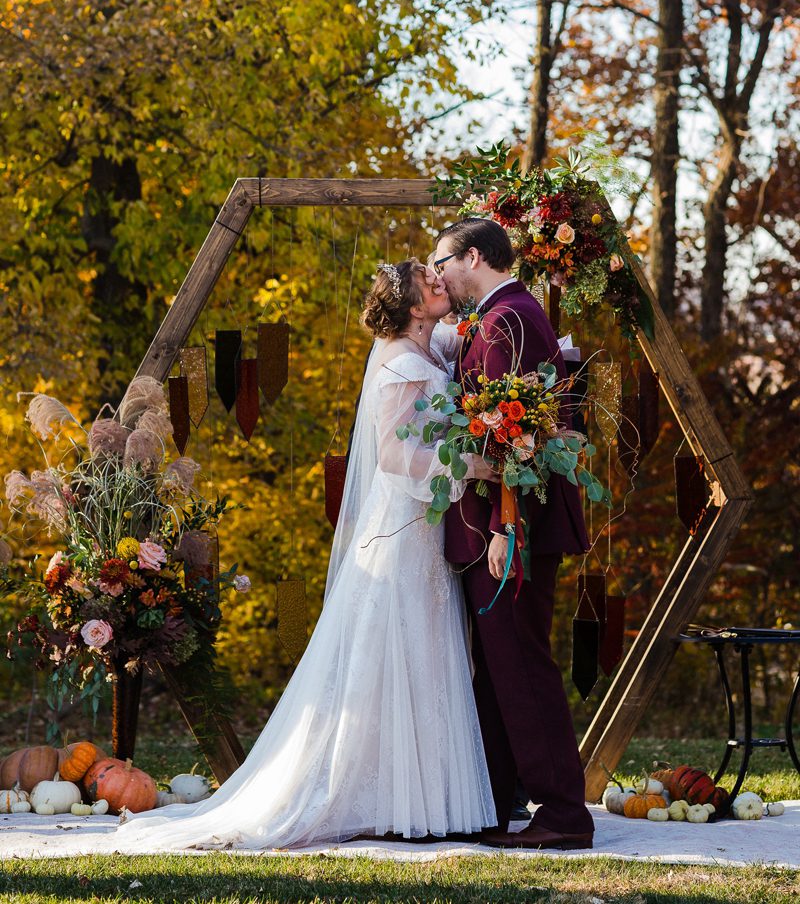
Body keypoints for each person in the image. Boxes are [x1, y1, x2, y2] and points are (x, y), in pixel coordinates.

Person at [111, 259, 498, 852]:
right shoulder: (398, 361)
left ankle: (413, 798)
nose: (439, 282)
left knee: (421, 652)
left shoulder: (426, 349)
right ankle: (373, 794)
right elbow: (396, 458)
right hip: (400, 531)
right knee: (393, 652)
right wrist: (474, 465)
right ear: (412, 306)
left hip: (425, 531)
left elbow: (468, 338)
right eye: (428, 280)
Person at [433, 217, 594, 850]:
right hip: (500, 526)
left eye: (442, 261)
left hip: (510, 530)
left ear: (472, 257)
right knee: (498, 668)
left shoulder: (509, 321)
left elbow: (513, 436)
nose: (438, 274)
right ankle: (495, 804)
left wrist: (505, 526)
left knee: (523, 665)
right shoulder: (506, 316)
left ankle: (561, 815)